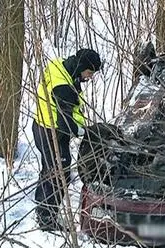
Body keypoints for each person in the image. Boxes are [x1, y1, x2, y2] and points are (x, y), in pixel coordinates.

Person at [32, 49, 102, 231]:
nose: (90, 77)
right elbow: (66, 124)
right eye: (90, 73)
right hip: (51, 132)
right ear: (82, 67)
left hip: (41, 125)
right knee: (57, 173)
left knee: (51, 169)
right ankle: (47, 219)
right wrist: (85, 132)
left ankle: (43, 211)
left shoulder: (59, 66)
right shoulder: (63, 87)